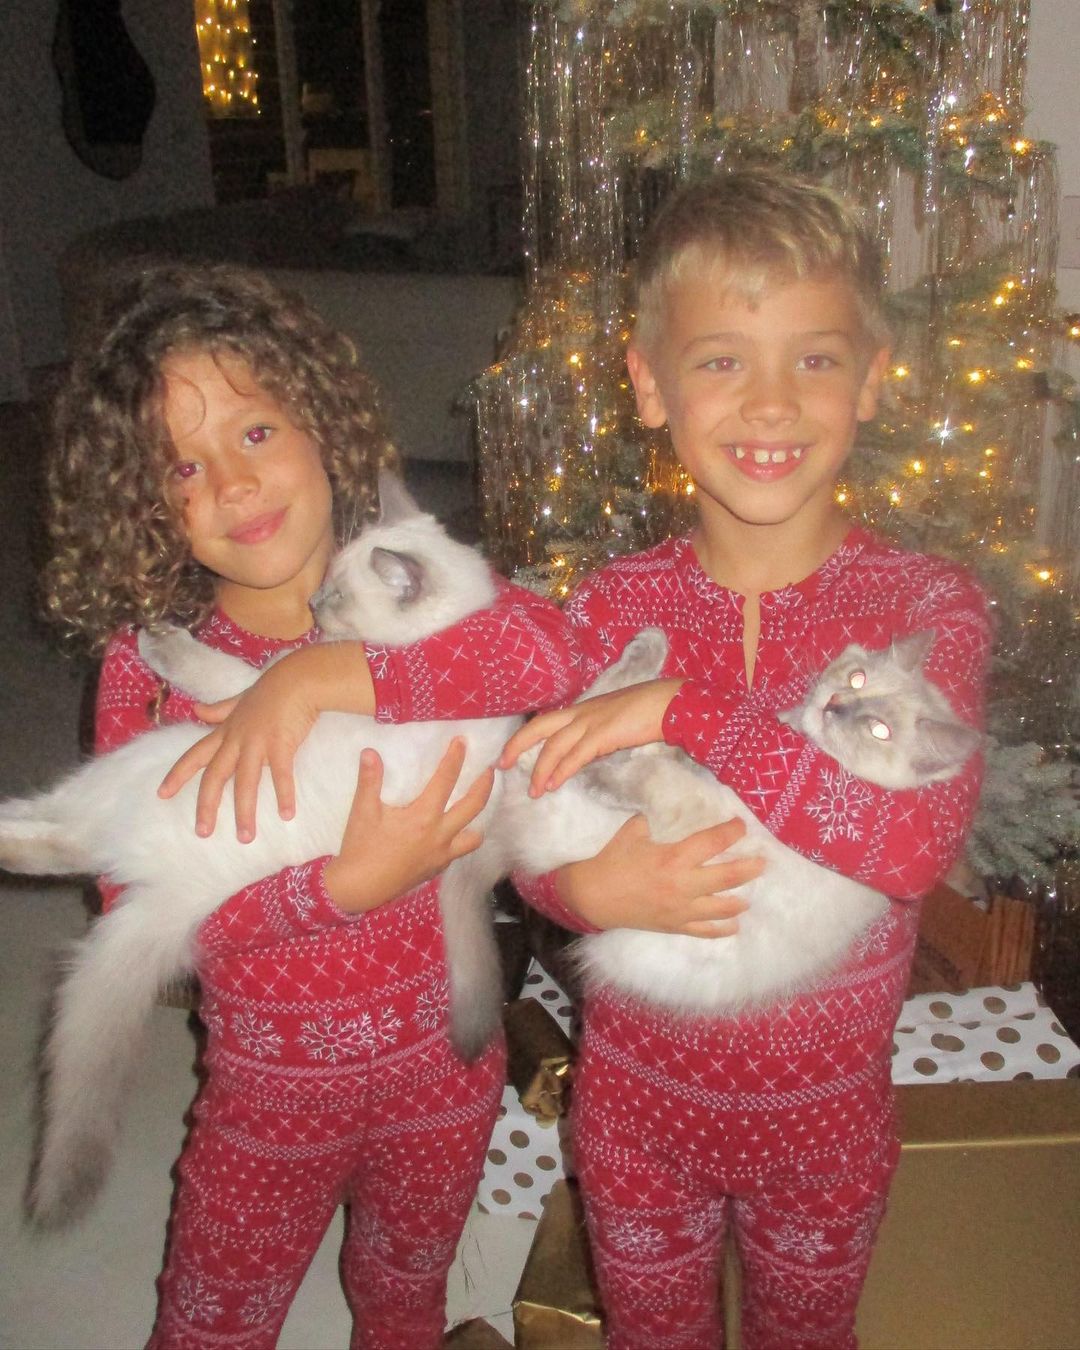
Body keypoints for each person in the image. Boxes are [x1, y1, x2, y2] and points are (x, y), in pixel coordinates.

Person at [42, 259, 585, 1350]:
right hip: (270, 1089)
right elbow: (135, 906)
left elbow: (553, 651)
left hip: (443, 1076)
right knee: (213, 1319)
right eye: (182, 466)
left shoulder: (416, 593)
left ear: (322, 425)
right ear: (143, 503)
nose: (234, 484)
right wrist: (341, 887)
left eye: (255, 433)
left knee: (405, 1298)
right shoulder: (153, 668)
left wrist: (322, 676)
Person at [501, 169, 992, 1349]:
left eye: (814, 359)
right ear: (649, 384)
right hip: (636, 1115)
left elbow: (907, 849)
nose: (771, 402)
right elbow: (531, 814)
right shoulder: (613, 604)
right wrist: (580, 892)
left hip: (824, 1130)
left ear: (872, 377)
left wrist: (687, 710)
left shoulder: (926, 607)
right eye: (722, 359)